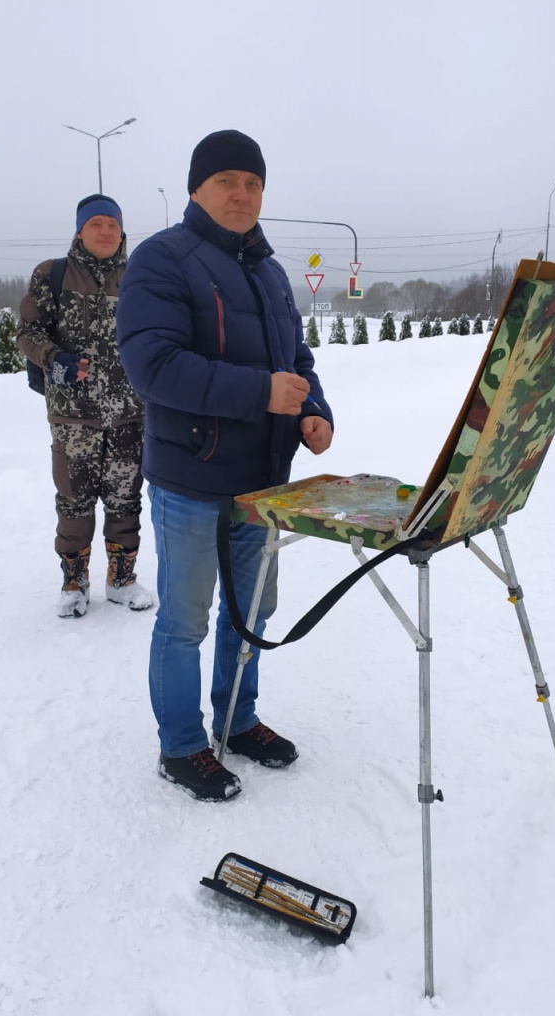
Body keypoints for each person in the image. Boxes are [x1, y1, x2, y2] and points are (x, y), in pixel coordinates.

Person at [117, 130, 334, 801]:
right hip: (192, 479)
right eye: (226, 181)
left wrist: (311, 410)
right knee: (184, 621)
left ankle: (237, 721)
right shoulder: (161, 260)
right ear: (196, 189)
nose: (242, 194)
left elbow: (295, 361)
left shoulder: (268, 271)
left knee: (251, 613)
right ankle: (181, 746)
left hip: (262, 481)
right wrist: (258, 394)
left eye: (253, 183)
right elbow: (152, 366)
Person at [17, 194, 153, 618]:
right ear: (80, 230)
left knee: (126, 499)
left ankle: (122, 578)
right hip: (73, 416)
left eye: (113, 225)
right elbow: (26, 332)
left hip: (131, 413)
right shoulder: (52, 275)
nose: (106, 232)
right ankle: (74, 581)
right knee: (73, 501)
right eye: (96, 224)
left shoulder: (140, 277)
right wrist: (53, 358)